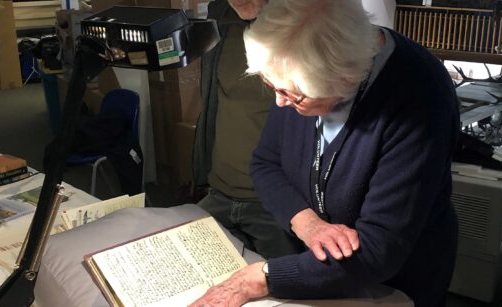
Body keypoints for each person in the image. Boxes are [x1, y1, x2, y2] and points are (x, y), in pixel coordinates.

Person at [190, 0, 460, 306]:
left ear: (344, 81)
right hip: (325, 267)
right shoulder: (296, 67)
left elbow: (378, 251)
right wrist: (307, 223)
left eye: (292, 95)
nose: (279, 103)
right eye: (270, 85)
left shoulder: (419, 95)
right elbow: (266, 163)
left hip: (400, 279)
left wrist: (262, 277)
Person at [192, 0, 309, 259]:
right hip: (218, 193)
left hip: (277, 205)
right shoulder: (221, 21)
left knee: (289, 293)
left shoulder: (308, 26)